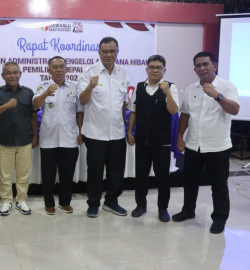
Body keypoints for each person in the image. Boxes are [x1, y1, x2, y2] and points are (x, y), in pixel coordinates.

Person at [172, 51, 239, 234]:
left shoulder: (226, 86)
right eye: (198, 66)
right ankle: (188, 210)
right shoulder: (192, 89)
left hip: (218, 146)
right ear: (195, 69)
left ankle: (219, 219)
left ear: (214, 66)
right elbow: (185, 114)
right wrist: (180, 136)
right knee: (190, 180)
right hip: (194, 144)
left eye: (206, 64)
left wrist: (217, 95)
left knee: (219, 185)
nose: (202, 68)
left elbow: (234, 109)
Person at [77, 37, 130, 218]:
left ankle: (111, 202)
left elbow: (123, 104)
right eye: (105, 51)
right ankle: (93, 203)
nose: (109, 55)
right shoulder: (88, 73)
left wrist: (124, 127)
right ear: (98, 53)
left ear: (117, 52)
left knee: (116, 172)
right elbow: (82, 101)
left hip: (116, 132)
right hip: (95, 133)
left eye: (112, 51)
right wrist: (90, 87)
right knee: (95, 172)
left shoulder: (123, 73)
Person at [127, 55, 179, 222]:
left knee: (163, 177)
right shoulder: (139, 87)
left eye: (158, 67)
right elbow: (133, 111)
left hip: (162, 142)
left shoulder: (171, 87)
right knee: (141, 176)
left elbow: (173, 111)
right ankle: (140, 205)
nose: (155, 70)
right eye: (152, 67)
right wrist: (130, 132)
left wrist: (167, 92)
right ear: (146, 69)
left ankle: (163, 208)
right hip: (142, 140)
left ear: (164, 70)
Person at [32, 56, 84, 215]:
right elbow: (35, 105)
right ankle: (49, 203)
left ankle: (65, 202)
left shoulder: (75, 88)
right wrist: (47, 92)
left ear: (67, 69)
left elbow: (80, 112)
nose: (59, 70)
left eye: (62, 66)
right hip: (49, 138)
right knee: (48, 174)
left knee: (67, 174)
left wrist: (81, 132)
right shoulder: (43, 87)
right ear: (49, 70)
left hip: (69, 138)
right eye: (55, 67)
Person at [0, 61, 39, 216]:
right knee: (5, 174)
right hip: (4, 140)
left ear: (20, 74)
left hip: (24, 140)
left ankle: (21, 200)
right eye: (8, 73)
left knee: (24, 173)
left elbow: (33, 116)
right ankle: (7, 201)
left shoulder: (29, 93)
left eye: (15, 72)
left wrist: (35, 136)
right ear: (3, 76)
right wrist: (6, 106)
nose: (12, 75)